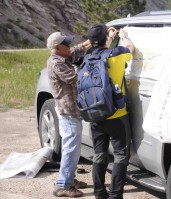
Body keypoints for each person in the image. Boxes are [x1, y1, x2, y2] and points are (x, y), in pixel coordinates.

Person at [86, 23, 135, 199]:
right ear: (106, 38)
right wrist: (123, 35)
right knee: (121, 156)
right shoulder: (117, 54)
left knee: (99, 155)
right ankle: (115, 195)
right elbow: (131, 49)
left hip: (95, 114)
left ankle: (99, 193)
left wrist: (108, 38)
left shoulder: (86, 58)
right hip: (117, 115)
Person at [46, 32, 92, 197]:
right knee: (71, 149)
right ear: (58, 48)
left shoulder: (62, 57)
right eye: (66, 44)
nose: (70, 46)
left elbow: (77, 51)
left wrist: (93, 40)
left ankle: (69, 180)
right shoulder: (56, 64)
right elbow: (77, 78)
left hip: (71, 111)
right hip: (68, 112)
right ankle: (63, 184)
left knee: (73, 148)